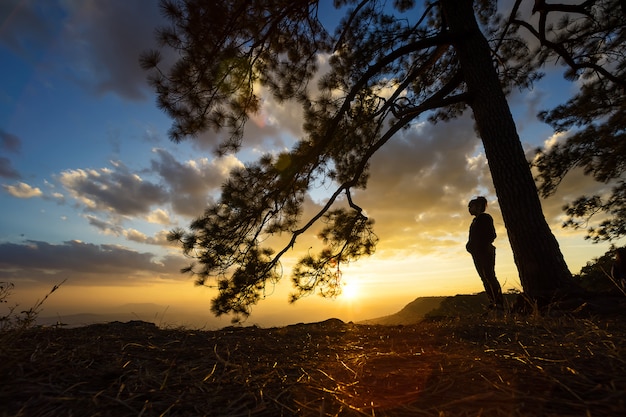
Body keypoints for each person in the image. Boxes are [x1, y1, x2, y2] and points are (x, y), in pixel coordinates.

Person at [466, 196, 504, 310]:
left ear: (477, 207)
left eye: (470, 206)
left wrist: (481, 246)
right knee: (485, 277)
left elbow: (492, 235)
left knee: (489, 276)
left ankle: (499, 303)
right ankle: (493, 302)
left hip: (485, 252)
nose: (469, 209)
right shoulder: (475, 220)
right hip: (478, 253)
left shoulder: (485, 218)